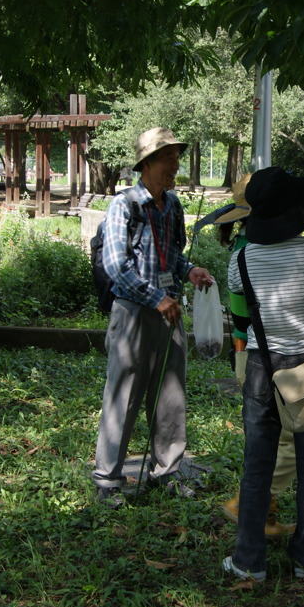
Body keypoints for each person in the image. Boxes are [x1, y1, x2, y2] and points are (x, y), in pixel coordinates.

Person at [223, 166, 304, 581]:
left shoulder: (239, 258)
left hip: (261, 367)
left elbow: (244, 316)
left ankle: (248, 559)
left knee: (257, 464)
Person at [92, 127, 214, 509]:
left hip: (169, 310)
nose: (175, 164)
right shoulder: (125, 205)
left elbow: (173, 256)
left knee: (171, 395)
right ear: (146, 163)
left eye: (177, 157)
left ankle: (169, 471)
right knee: (123, 394)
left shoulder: (172, 205)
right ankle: (108, 480)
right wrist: (155, 296)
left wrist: (190, 270)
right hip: (134, 312)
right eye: (168, 158)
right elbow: (115, 264)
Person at [216, 174, 296, 538]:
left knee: (269, 437)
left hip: (248, 354)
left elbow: (240, 318)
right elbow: (243, 317)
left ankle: (265, 512)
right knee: (291, 437)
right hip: (263, 356)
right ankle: (251, 503)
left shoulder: (245, 249)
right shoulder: (251, 252)